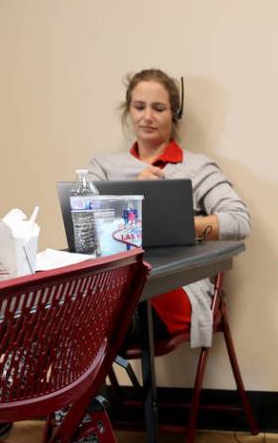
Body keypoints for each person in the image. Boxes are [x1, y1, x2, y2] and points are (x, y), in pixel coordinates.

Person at [88, 68, 250, 347]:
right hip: (114, 285)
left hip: (175, 286)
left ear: (174, 114)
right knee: (65, 301)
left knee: (110, 304)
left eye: (158, 108)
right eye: (139, 107)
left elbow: (239, 221)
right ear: (129, 110)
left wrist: (174, 226)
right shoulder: (103, 167)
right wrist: (133, 197)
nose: (147, 117)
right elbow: (86, 228)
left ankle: (104, 325)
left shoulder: (197, 168)